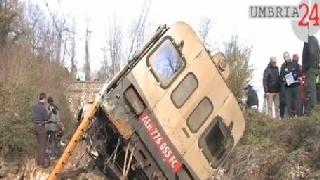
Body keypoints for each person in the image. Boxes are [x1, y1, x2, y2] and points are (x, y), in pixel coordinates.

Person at [280, 52, 303, 117]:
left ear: (289, 56)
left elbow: (300, 72)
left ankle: (300, 117)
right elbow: (281, 77)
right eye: (285, 57)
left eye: (287, 56)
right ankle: (290, 118)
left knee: (297, 102)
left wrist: (294, 76)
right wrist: (284, 79)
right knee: (288, 103)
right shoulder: (283, 66)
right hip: (288, 87)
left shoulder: (295, 64)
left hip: (296, 86)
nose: (286, 58)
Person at [302, 36, 320, 114]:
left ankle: (312, 112)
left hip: (311, 69)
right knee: (317, 89)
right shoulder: (315, 39)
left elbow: (311, 52)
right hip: (316, 68)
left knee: (311, 91)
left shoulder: (309, 39)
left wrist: (306, 67)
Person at [32, 92, 50, 167]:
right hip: (41, 127)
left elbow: (32, 116)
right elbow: (46, 118)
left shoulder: (35, 107)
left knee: (38, 145)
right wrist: (50, 113)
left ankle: (37, 162)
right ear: (44, 99)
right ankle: (41, 163)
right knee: (42, 145)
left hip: (35, 126)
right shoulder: (43, 108)